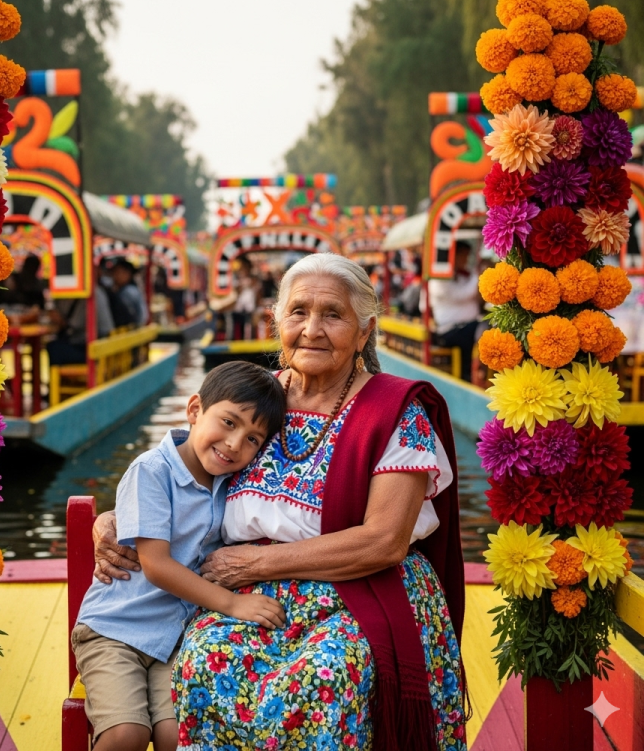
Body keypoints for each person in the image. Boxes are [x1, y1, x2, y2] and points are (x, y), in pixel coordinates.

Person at [93, 254, 468, 750]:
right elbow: (177, 471)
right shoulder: (254, 402)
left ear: (364, 331)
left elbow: (385, 541)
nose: (312, 329)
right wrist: (114, 518)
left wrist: (258, 562)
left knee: (325, 679)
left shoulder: (395, 411)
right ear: (276, 322)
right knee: (204, 659)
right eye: (298, 312)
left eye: (332, 314)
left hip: (356, 593)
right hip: (245, 598)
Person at [72, 361, 287, 751]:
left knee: (180, 735)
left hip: (174, 638)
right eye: (228, 422)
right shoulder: (152, 471)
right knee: (127, 734)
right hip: (116, 631)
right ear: (194, 410)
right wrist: (232, 603)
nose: (236, 444)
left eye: (254, 439)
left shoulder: (232, 484)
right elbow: (156, 566)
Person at [424, 241, 481, 381]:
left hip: (465, 327)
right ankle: (470, 375)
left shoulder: (462, 276)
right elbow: (461, 295)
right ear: (453, 256)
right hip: (449, 331)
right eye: (464, 256)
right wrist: (479, 276)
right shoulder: (438, 278)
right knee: (479, 329)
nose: (466, 260)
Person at [112, 260, 148, 327]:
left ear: (128, 274)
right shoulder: (131, 289)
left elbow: (130, 318)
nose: (114, 276)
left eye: (118, 272)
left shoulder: (127, 292)